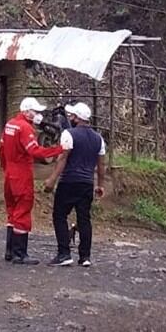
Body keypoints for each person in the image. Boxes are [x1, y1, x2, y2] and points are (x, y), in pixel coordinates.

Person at [0, 97, 63, 265]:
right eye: (35, 111)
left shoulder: (10, 124)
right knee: (23, 210)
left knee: (12, 211)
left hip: (10, 173)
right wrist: (58, 150)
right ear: (26, 111)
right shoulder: (25, 128)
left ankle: (10, 251)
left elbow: (1, 149)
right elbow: (35, 151)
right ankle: (20, 254)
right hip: (22, 173)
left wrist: (5, 168)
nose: (38, 115)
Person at [44, 102, 106, 268]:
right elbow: (101, 165)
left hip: (69, 181)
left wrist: (52, 179)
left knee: (59, 215)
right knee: (84, 219)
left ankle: (64, 253)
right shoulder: (98, 139)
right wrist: (100, 185)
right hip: (87, 183)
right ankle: (85, 256)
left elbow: (62, 158)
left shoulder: (68, 134)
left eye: (72, 116)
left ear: (78, 119)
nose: (70, 118)